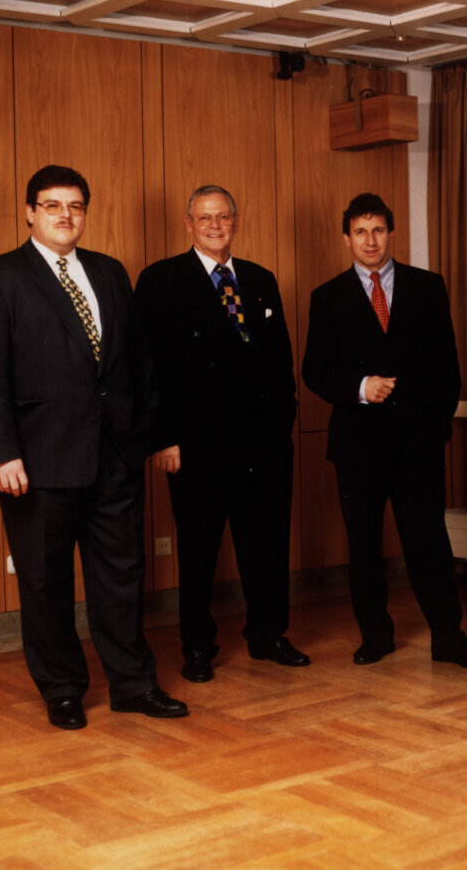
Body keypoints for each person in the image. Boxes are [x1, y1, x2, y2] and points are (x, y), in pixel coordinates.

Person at [0, 165, 187, 730]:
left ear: (86, 212)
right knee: (44, 581)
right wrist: (0, 452)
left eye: (76, 205)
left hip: (114, 456)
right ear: (30, 212)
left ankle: (134, 686)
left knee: (121, 577)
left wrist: (148, 435)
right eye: (53, 205)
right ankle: (62, 689)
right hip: (37, 461)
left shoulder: (109, 273)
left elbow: (138, 364)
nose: (66, 215)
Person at [302, 193, 467, 670]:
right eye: (361, 231)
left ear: (391, 233)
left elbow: (448, 372)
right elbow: (313, 370)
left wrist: (432, 429)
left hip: (418, 446)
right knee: (363, 546)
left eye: (379, 230)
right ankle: (376, 636)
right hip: (357, 447)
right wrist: (361, 387)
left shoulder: (428, 287)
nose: (370, 240)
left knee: (429, 543)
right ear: (346, 238)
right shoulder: (327, 297)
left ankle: (449, 639)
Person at [133, 185, 309, 683]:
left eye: (223, 217)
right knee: (198, 550)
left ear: (236, 221)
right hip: (194, 447)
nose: (214, 226)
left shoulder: (259, 279)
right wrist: (161, 439)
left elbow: (279, 362)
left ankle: (269, 634)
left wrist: (284, 425)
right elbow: (147, 368)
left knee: (267, 544)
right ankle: (197, 646)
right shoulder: (161, 280)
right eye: (204, 218)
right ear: (188, 223)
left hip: (264, 446)